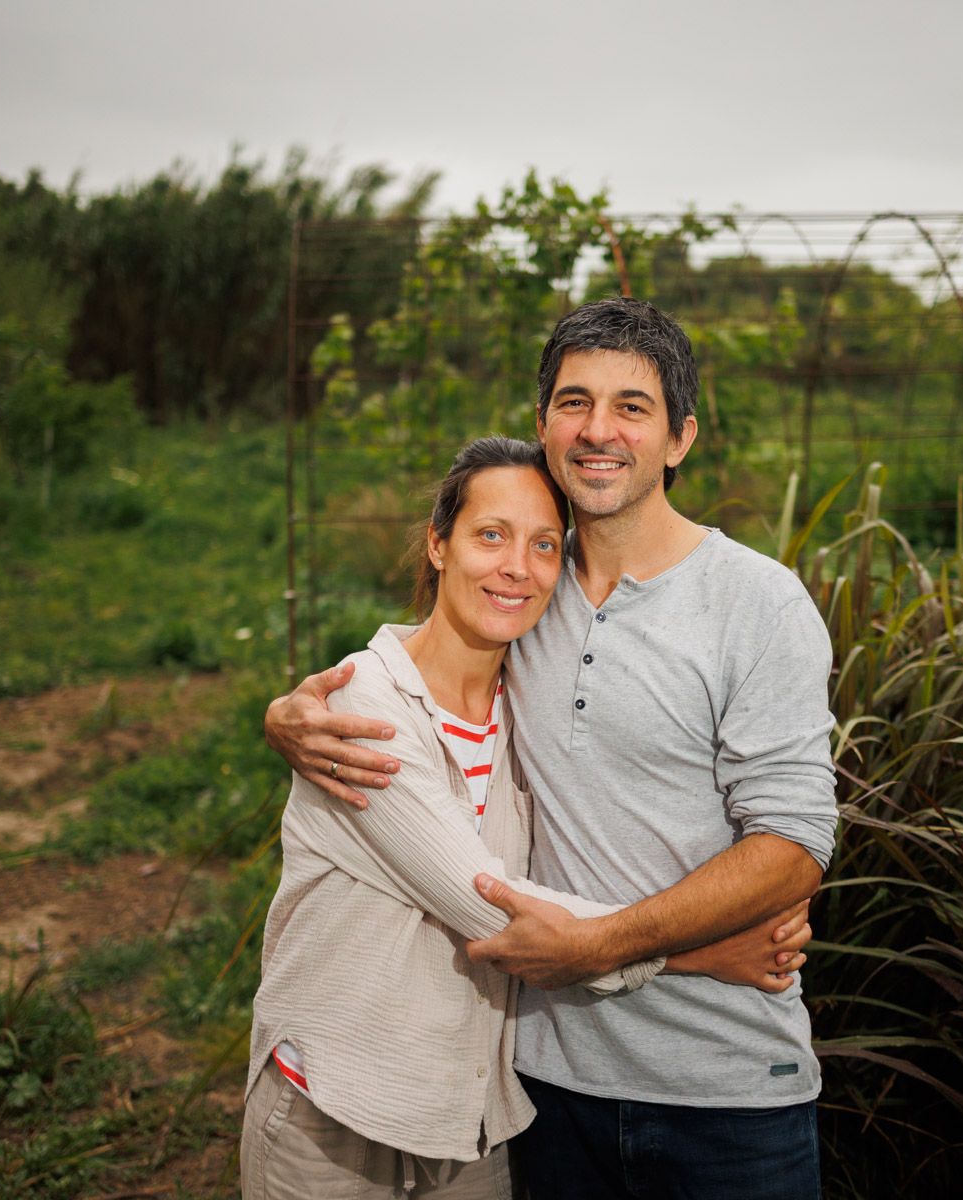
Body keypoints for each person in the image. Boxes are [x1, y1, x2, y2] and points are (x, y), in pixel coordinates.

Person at [266, 298, 839, 1200]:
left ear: (680, 438)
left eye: (632, 407)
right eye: (574, 402)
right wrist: (288, 716)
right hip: (544, 1084)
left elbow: (795, 846)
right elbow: (417, 677)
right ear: (543, 425)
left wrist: (607, 943)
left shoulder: (757, 604)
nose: (598, 430)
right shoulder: (526, 597)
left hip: (726, 1089)